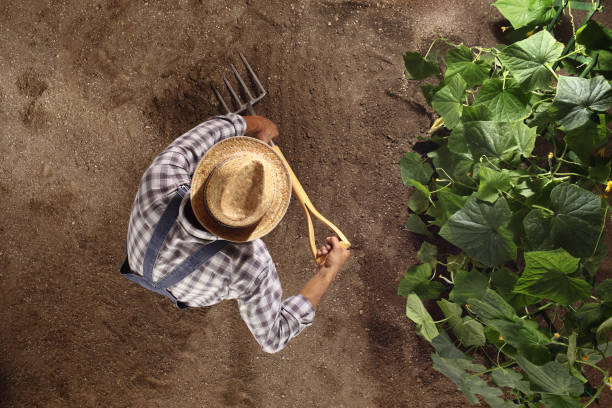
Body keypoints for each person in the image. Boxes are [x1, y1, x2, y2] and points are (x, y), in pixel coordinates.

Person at [121, 113, 350, 353]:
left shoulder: (162, 175)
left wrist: (258, 124)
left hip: (139, 258)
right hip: (191, 292)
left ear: (208, 174)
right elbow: (273, 337)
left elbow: (215, 129)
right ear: (258, 222)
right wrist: (326, 272)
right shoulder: (251, 265)